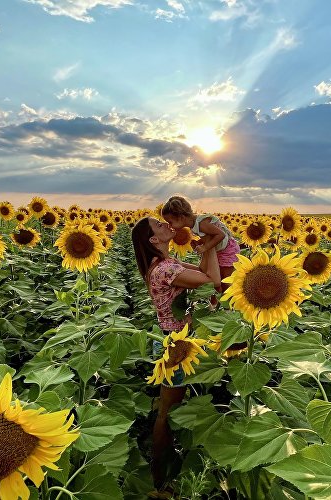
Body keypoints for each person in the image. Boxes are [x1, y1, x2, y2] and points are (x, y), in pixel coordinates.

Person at [131, 216, 219, 497]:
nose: (167, 225)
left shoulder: (166, 265)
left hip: (180, 341)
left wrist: (207, 247)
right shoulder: (165, 270)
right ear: (154, 241)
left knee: (172, 407)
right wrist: (214, 242)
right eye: (159, 226)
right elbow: (211, 280)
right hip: (174, 345)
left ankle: (166, 466)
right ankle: (160, 477)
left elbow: (203, 269)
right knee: (167, 412)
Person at [160, 196, 240, 306]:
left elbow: (220, 235)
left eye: (170, 222)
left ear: (181, 217)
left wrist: (205, 247)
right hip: (219, 249)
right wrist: (200, 243)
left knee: (226, 282)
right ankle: (215, 307)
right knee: (217, 283)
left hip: (228, 250)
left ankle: (229, 308)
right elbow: (209, 236)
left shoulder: (201, 223)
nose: (169, 226)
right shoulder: (195, 225)